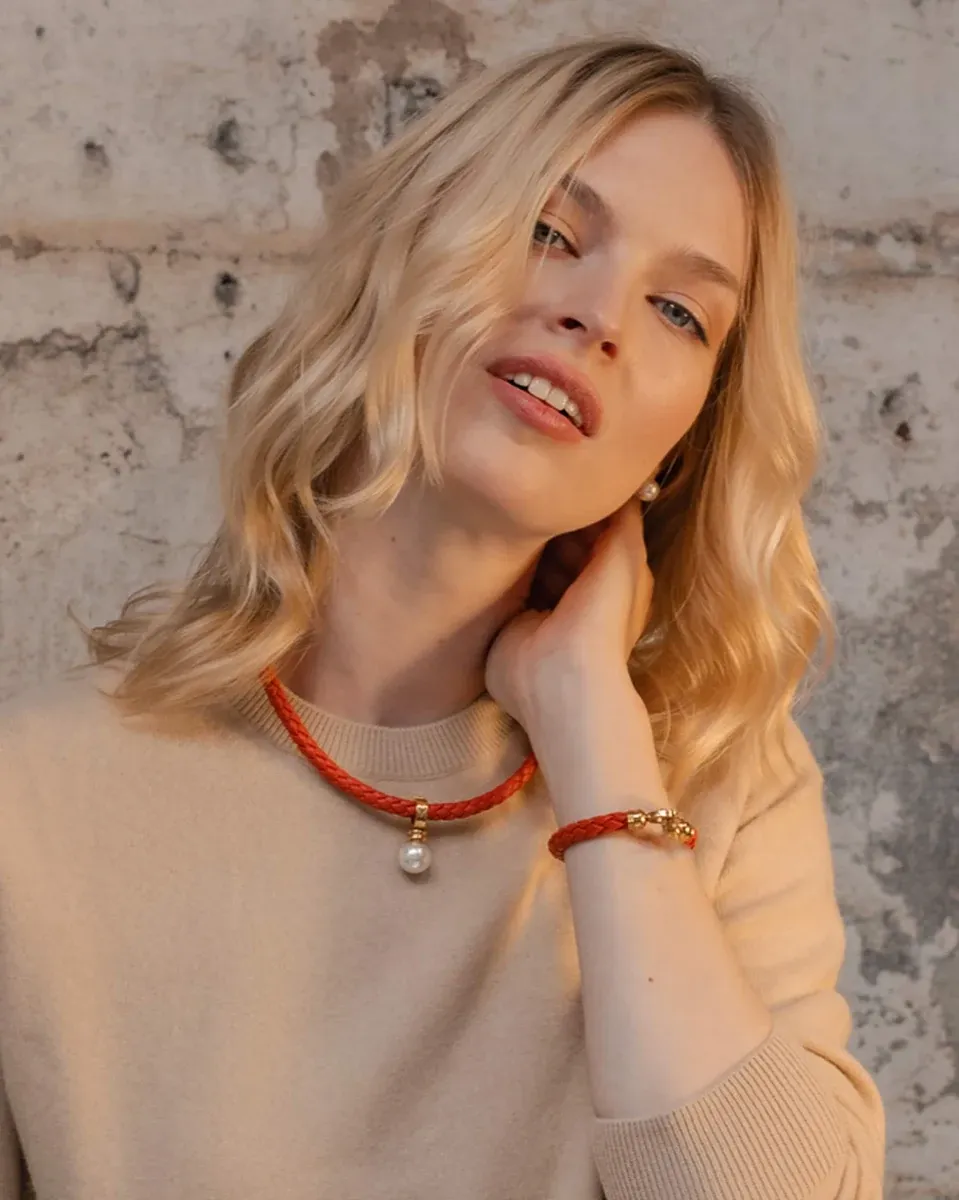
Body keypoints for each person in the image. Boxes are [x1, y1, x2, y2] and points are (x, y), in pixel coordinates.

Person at [0, 34, 885, 1200]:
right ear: (401, 259)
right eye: (551, 233)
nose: (601, 316)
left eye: (678, 311)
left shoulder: (721, 787)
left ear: (685, 441)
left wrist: (590, 735)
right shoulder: (36, 802)